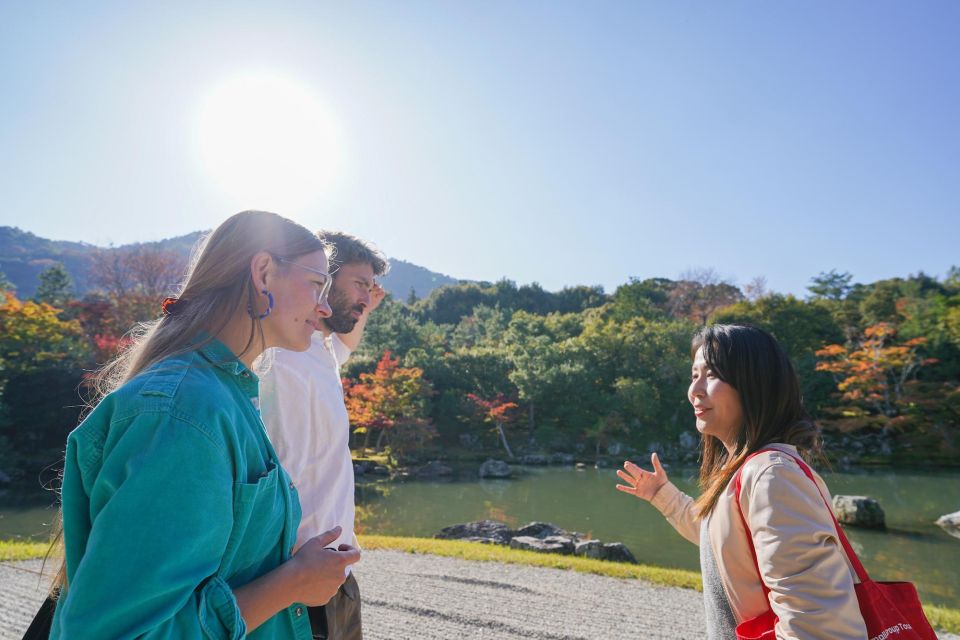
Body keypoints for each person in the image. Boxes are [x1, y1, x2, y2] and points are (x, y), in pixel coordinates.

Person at [49, 211, 361, 639]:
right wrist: (292, 584)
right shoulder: (184, 414)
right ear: (264, 273)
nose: (324, 306)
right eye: (316, 285)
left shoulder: (223, 397)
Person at [615, 324, 867, 639]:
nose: (695, 389)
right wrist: (662, 495)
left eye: (712, 374)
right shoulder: (744, 471)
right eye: (694, 375)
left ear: (755, 385)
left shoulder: (772, 476)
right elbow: (723, 542)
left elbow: (817, 624)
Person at [259, 231, 389, 640]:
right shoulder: (272, 352)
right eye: (360, 285)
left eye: (371, 289)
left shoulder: (324, 350)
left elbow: (348, 338)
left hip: (339, 576)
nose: (367, 298)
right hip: (290, 577)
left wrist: (364, 305)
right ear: (321, 279)